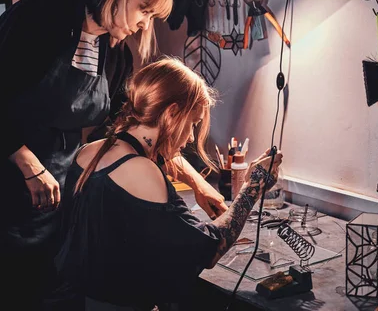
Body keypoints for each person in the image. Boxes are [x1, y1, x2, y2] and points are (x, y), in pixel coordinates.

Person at [0, 0, 226, 310]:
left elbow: (132, 129)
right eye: (143, 9)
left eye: (150, 16)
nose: (143, 24)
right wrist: (29, 165)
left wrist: (197, 183)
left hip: (51, 201)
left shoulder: (116, 56)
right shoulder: (37, 17)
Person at [55, 57, 283, 309]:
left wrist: (198, 185)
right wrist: (252, 187)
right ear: (172, 112)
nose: (191, 136)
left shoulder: (90, 151)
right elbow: (208, 249)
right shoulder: (141, 171)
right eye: (193, 123)